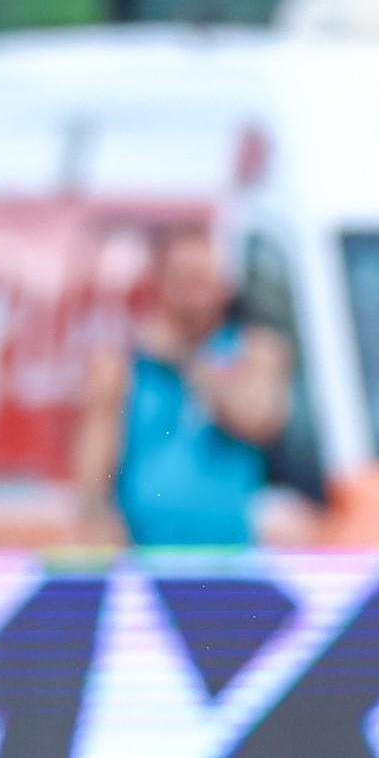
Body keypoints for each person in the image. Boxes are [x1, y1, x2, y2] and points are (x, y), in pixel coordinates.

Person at [72, 223, 294, 547]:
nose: (197, 294)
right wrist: (97, 526)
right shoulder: (122, 365)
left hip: (232, 556)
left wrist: (185, 361)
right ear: (161, 282)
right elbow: (93, 473)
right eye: (185, 280)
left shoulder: (255, 351)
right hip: (144, 554)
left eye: (204, 280)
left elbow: (258, 418)